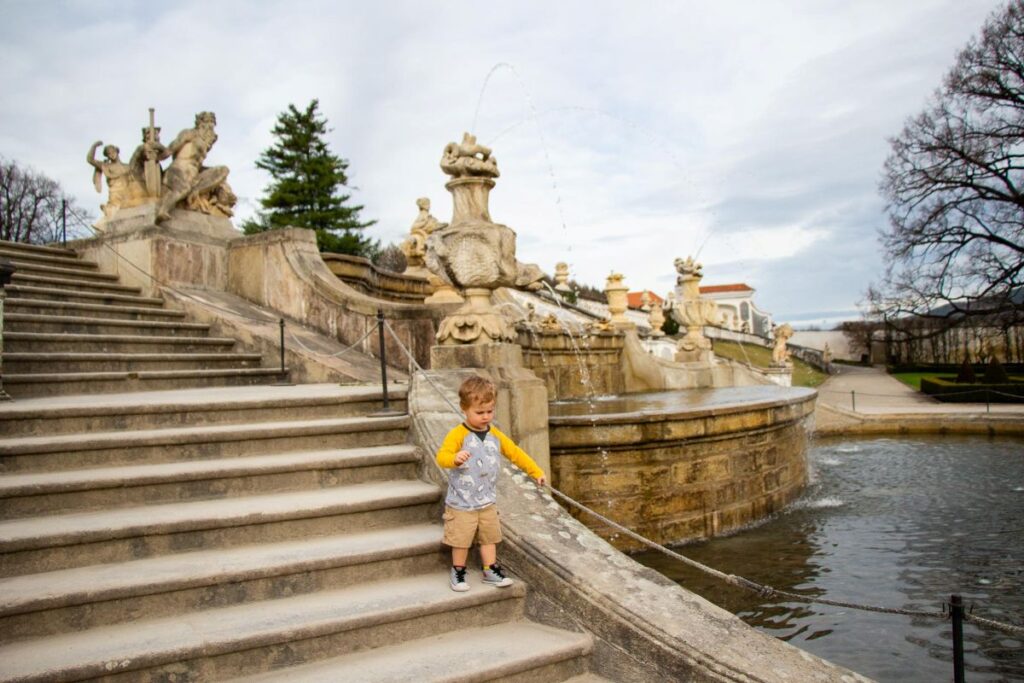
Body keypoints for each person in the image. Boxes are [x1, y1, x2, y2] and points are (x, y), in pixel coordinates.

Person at [436, 375, 546, 592]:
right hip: (462, 503)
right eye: (480, 412)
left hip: (487, 501)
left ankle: (490, 569)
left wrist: (535, 471)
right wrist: (454, 459)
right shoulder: (458, 434)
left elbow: (515, 452)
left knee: (490, 537)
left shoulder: (494, 434)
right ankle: (458, 570)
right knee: (461, 539)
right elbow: (442, 456)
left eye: (490, 411)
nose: (486, 417)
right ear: (464, 409)